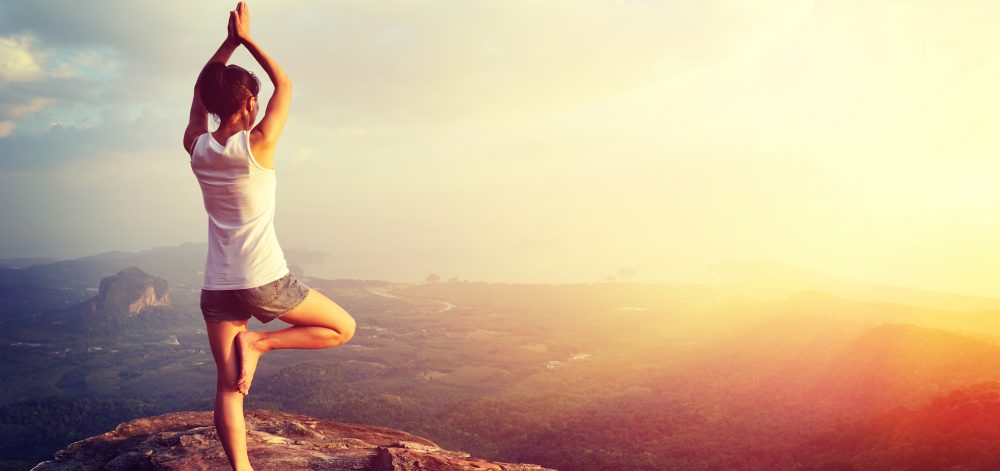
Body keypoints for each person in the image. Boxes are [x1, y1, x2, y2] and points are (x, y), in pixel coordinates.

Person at [182, 2, 357, 470]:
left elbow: (203, 91)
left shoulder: (196, 148)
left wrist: (227, 46)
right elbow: (288, 83)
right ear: (250, 104)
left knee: (226, 385)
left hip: (217, 284)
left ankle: (241, 469)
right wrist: (247, 39)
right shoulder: (258, 145)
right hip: (264, 279)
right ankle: (261, 345)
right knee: (344, 328)